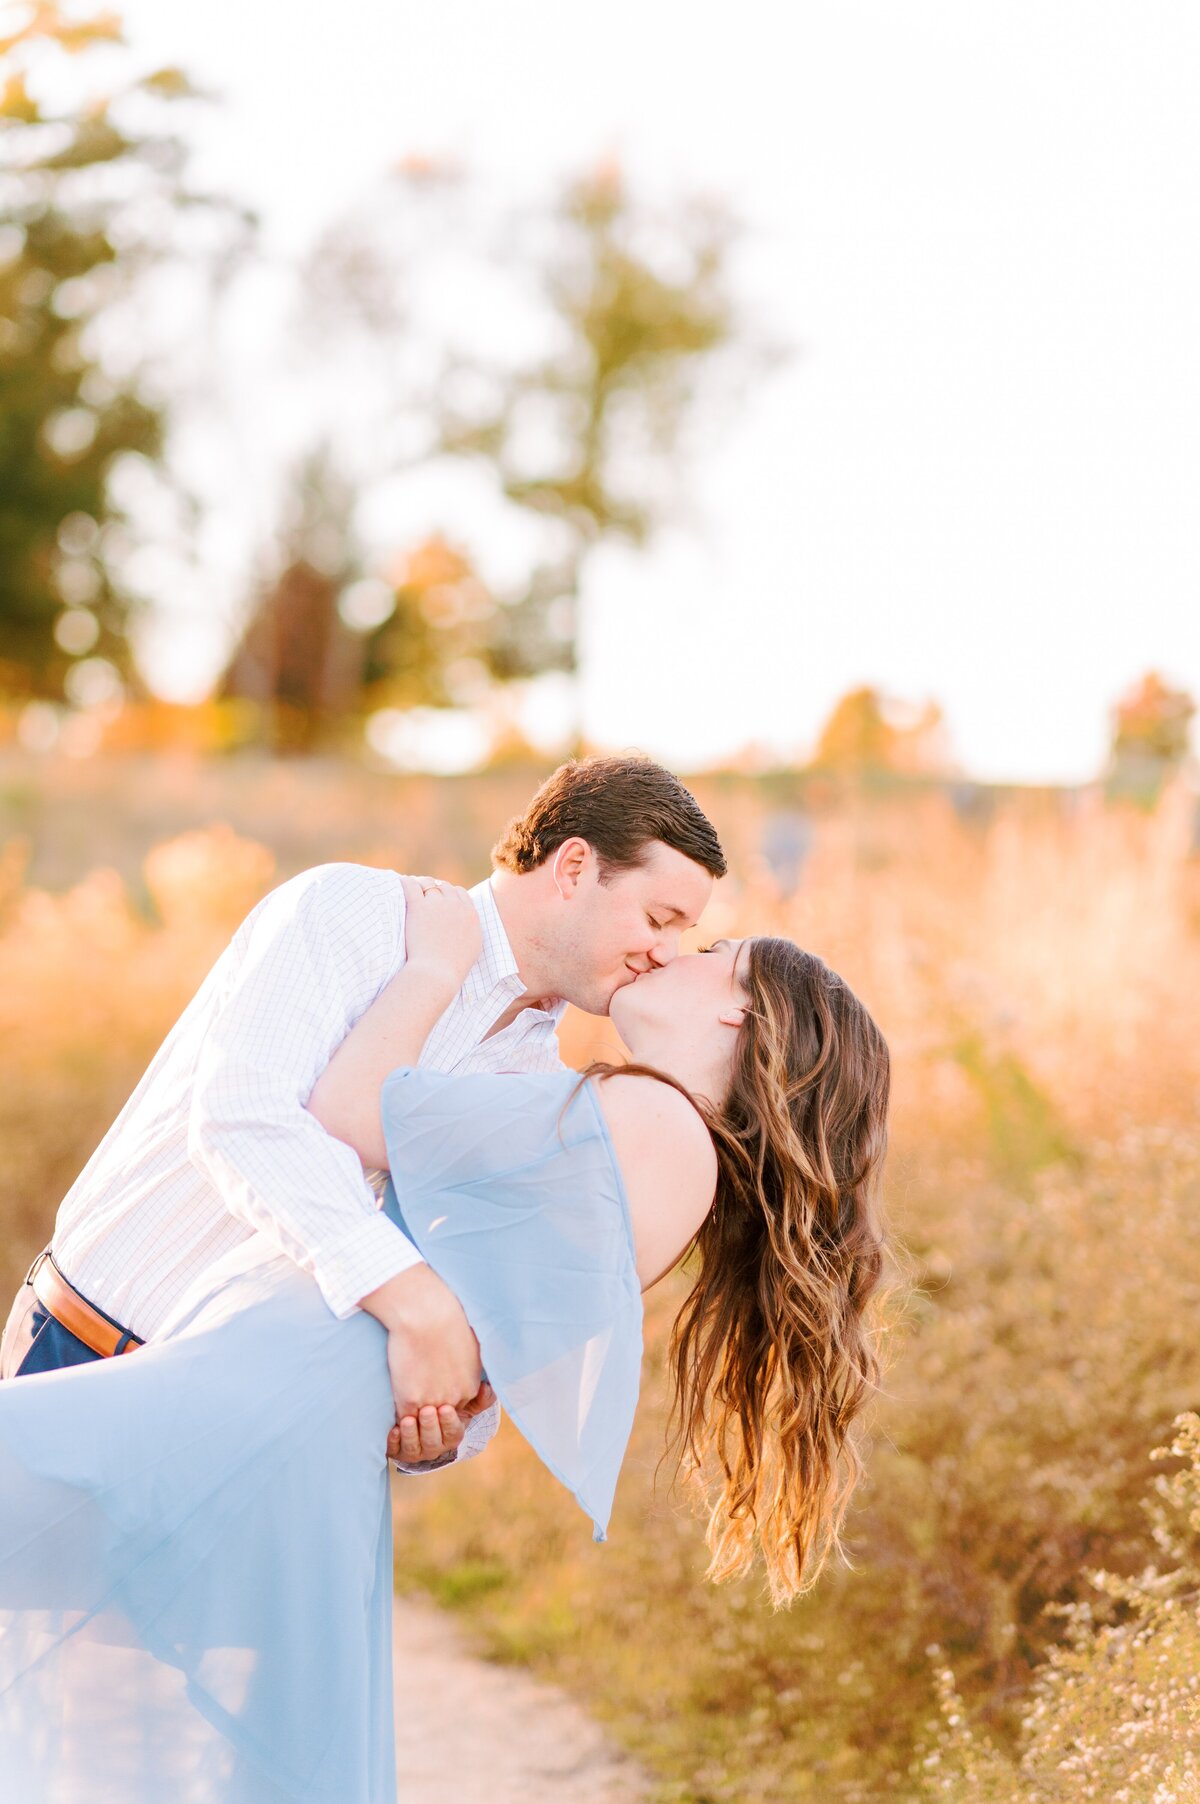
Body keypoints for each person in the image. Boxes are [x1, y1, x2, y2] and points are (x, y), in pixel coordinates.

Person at [0, 879, 891, 1802]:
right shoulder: (663, 1152)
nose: (675, 953)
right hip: (291, 1399)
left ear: (742, 1010)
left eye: (708, 952)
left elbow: (346, 1113)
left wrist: (433, 967)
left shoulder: (652, 1124)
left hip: (267, 1385)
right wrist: (441, 1406)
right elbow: (482, 1363)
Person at [0, 754, 725, 1475]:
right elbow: (242, 1118)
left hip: (253, 1445)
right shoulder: (358, 912)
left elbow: (486, 1313)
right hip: (88, 1353)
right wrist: (410, 1298)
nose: (664, 954)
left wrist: (443, 1426)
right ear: (572, 868)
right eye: (659, 919)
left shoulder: (544, 1083)